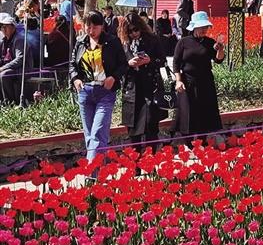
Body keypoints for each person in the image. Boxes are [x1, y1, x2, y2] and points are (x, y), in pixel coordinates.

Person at [69, 11, 128, 162]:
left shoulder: (112, 42)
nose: (91, 30)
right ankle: (96, 173)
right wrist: (75, 78)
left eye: (95, 27)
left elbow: (123, 64)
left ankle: (91, 174)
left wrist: (113, 77)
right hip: (85, 92)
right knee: (89, 135)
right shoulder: (81, 42)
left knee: (98, 133)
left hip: (105, 92)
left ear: (102, 26)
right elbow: (72, 65)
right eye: (88, 26)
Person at [119, 12, 167, 152]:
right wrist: (129, 63)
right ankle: (136, 165)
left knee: (151, 126)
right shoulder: (123, 44)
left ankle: (151, 163)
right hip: (132, 89)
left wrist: (150, 60)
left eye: (136, 30)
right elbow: (117, 67)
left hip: (150, 87)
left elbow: (163, 60)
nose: (134, 33)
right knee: (133, 130)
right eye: (130, 31)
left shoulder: (152, 40)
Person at [173, 11, 225, 139]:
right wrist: (178, 81)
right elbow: (176, 63)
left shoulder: (209, 42)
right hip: (188, 81)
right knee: (188, 111)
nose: (204, 30)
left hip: (205, 81)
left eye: (206, 27)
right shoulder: (184, 42)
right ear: (194, 27)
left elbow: (218, 60)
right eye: (201, 27)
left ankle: (203, 141)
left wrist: (220, 49)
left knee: (205, 111)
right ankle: (188, 142)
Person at [0, 13, 34, 104]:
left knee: (4, 75)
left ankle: (10, 102)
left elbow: (20, 59)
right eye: (2, 27)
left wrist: (3, 67)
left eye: (5, 27)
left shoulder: (19, 39)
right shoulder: (4, 41)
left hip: (23, 69)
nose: (3, 29)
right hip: (11, 68)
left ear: (13, 27)